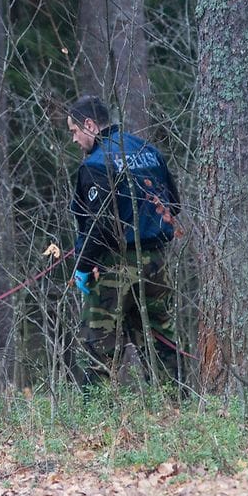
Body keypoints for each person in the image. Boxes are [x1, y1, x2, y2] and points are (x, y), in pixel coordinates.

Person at [65, 94, 182, 388]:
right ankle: (176, 407)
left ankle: (96, 420)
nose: (74, 140)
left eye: (74, 131)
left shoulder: (95, 164)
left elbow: (99, 226)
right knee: (160, 339)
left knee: (99, 346)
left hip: (112, 268)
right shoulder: (149, 151)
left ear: (89, 124)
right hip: (156, 263)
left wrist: (82, 266)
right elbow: (173, 207)